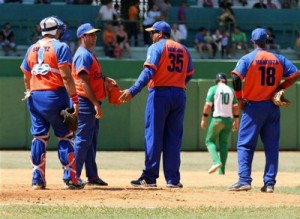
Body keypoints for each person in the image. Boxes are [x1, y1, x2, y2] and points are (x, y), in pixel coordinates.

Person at [119, 21, 194, 188]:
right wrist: (177, 83)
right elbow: (189, 74)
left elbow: (148, 71)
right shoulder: (184, 49)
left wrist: (133, 90)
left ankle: (150, 177)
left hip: (160, 94)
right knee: (173, 138)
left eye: (153, 32)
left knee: (153, 136)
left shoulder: (157, 47)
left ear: (160, 34)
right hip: (179, 94)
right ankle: (173, 179)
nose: (151, 35)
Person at [228, 28, 300, 193]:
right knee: (272, 146)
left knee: (245, 145)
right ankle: (269, 184)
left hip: (253, 106)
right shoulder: (278, 58)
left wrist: (239, 98)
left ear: (252, 41)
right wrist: (281, 88)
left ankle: (244, 180)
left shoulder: (248, 58)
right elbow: (295, 74)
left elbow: (235, 77)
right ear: (266, 40)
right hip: (272, 107)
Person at [19, 16, 85, 190]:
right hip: (55, 95)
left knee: (39, 137)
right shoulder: (61, 46)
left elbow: (26, 74)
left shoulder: (31, 48)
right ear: (56, 30)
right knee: (65, 135)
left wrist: (29, 91)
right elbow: (65, 76)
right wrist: (75, 99)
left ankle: (37, 179)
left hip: (34, 96)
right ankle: (70, 178)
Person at [72, 23, 116, 186]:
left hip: (90, 101)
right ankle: (72, 176)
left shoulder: (89, 54)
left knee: (90, 140)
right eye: (90, 34)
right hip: (86, 102)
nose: (94, 37)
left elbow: (92, 76)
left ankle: (92, 175)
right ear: (82, 37)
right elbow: (83, 82)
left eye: (95, 34)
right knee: (83, 139)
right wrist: (95, 104)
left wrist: (104, 79)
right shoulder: (83, 55)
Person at [201, 73, 239, 175]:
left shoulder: (214, 89)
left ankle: (216, 162)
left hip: (217, 118)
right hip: (228, 120)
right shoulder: (231, 90)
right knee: (224, 144)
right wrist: (236, 121)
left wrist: (204, 118)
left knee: (209, 141)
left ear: (217, 80)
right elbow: (235, 107)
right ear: (226, 81)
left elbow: (208, 105)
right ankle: (222, 171)